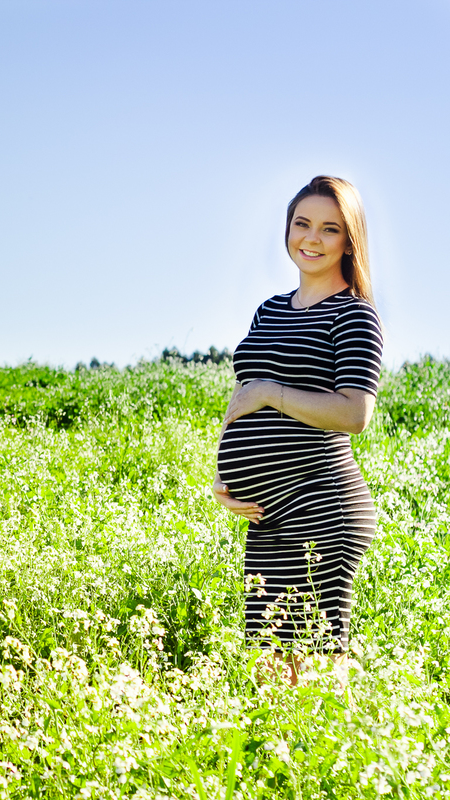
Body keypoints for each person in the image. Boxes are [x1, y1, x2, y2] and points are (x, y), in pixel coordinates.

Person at [212, 175, 384, 688]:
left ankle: (337, 767)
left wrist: (272, 393)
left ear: (349, 241)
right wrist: (225, 475)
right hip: (269, 515)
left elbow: (355, 413)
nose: (311, 238)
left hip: (323, 507)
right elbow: (244, 396)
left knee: (314, 670)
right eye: (301, 223)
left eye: (329, 229)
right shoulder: (269, 309)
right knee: (267, 668)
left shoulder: (355, 315)